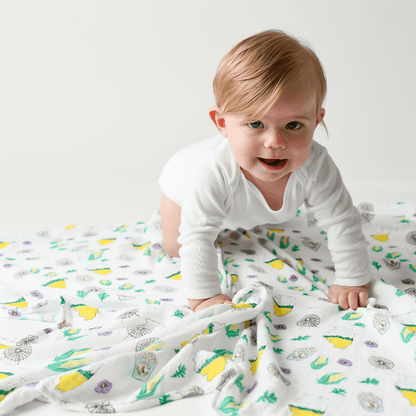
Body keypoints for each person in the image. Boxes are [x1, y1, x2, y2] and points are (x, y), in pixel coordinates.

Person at [158, 29, 371, 313]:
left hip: (241, 210)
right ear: (221, 123)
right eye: (256, 124)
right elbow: (196, 235)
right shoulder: (211, 169)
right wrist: (204, 296)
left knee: (256, 226)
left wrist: (353, 279)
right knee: (177, 247)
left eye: (293, 125)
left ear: (316, 120)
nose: (275, 143)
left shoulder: (316, 164)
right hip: (182, 193)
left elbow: (342, 220)